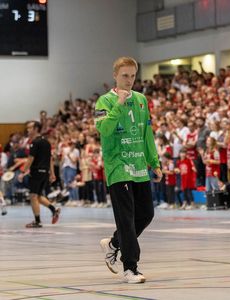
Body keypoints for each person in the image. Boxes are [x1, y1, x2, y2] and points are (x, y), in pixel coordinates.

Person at [95, 57, 162, 284]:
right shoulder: (104, 101)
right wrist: (119, 104)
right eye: (125, 75)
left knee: (146, 214)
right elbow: (104, 129)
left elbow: (147, 134)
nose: (129, 80)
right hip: (118, 167)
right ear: (115, 75)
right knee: (126, 217)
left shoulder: (142, 100)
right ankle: (130, 268)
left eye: (133, 75)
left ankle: (114, 243)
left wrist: (155, 162)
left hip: (139, 166)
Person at [21, 121, 60, 228]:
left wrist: (22, 172)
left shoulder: (35, 142)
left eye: (30, 128)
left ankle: (37, 221)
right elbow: (50, 159)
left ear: (36, 129)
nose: (28, 130)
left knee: (33, 196)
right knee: (38, 196)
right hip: (44, 173)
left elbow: (30, 159)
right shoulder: (46, 142)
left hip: (37, 172)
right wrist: (52, 174)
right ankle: (54, 209)